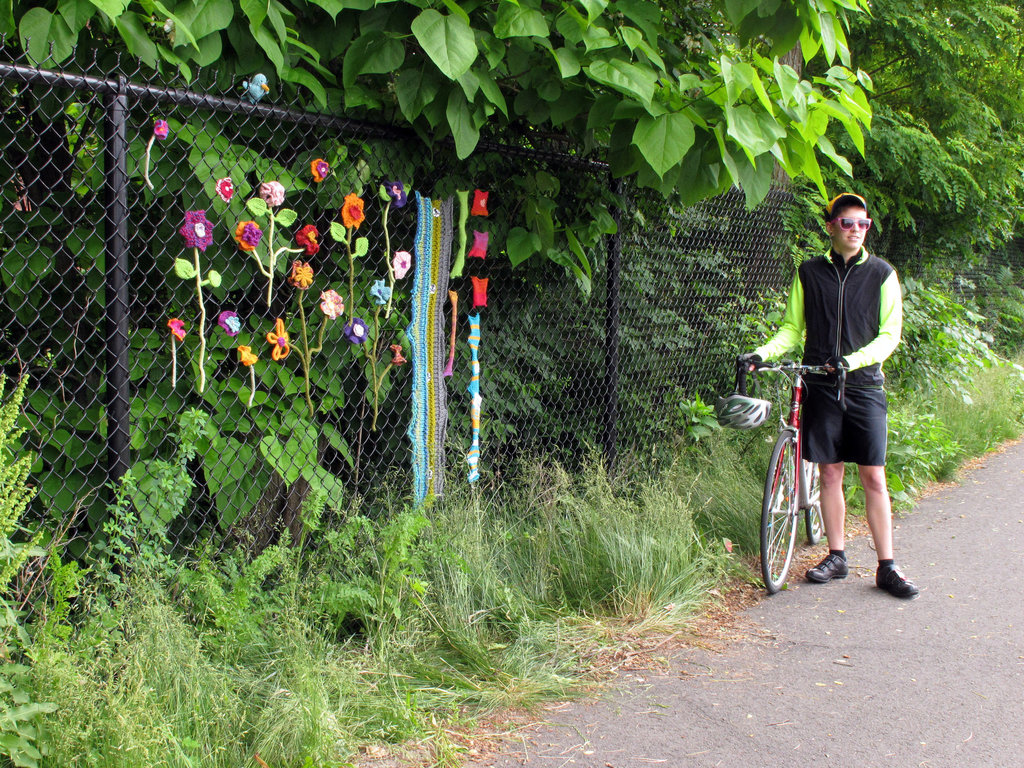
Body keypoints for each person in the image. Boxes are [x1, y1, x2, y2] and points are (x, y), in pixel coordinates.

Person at [743, 192, 919, 599]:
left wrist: (853, 361)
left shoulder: (881, 274)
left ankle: (887, 567)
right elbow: (792, 329)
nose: (855, 230)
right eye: (847, 223)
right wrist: (761, 353)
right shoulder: (808, 272)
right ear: (831, 227)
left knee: (874, 475)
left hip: (864, 386)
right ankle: (836, 556)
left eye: (863, 224)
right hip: (820, 386)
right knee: (830, 472)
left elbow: (889, 335)